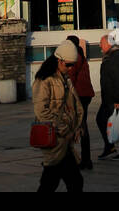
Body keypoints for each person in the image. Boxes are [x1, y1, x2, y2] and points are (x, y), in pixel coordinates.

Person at [32, 43, 84, 192]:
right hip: (54, 139)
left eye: (73, 65)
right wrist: (63, 128)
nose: (70, 68)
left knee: (72, 182)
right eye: (68, 64)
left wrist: (77, 126)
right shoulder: (44, 80)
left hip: (65, 140)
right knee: (54, 182)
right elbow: (41, 111)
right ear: (59, 60)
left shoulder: (64, 78)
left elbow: (74, 105)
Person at [65, 36, 95, 170]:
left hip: (80, 95)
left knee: (80, 126)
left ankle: (85, 159)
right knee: (81, 125)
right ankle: (84, 158)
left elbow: (70, 77)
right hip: (85, 94)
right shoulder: (81, 55)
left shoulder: (75, 57)